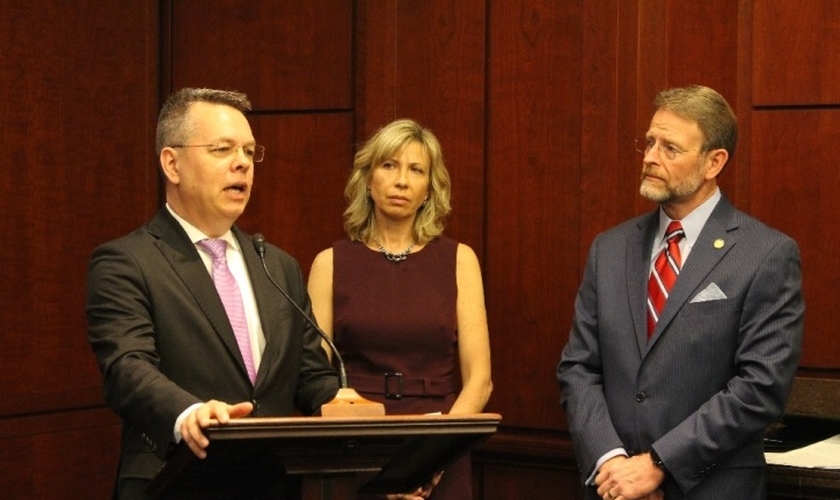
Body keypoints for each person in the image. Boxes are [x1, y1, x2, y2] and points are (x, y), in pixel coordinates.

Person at [86, 88, 341, 499]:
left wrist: (355, 409)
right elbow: (126, 367)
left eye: (249, 151)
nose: (242, 162)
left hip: (271, 487)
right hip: (176, 480)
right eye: (222, 149)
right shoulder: (126, 262)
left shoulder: (278, 266)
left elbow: (311, 377)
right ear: (172, 163)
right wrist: (187, 413)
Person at [556, 85, 804, 500]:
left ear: (714, 162)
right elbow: (578, 368)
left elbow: (761, 386)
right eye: (650, 142)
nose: (651, 157)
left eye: (670, 148)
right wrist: (613, 461)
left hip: (712, 488)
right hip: (613, 489)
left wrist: (658, 464)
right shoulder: (610, 249)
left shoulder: (766, 254)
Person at [307, 118, 494, 500]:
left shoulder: (460, 260)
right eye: (389, 165)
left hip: (442, 442)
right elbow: (312, 378)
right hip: (356, 447)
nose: (402, 181)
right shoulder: (329, 263)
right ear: (368, 179)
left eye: (416, 170)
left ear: (429, 188)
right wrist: (373, 465)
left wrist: (431, 459)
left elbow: (480, 380)